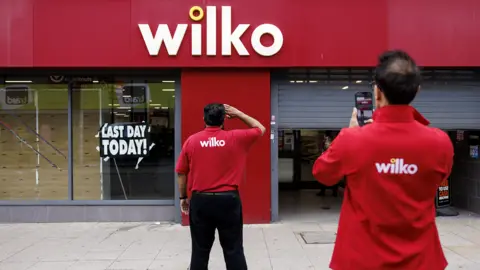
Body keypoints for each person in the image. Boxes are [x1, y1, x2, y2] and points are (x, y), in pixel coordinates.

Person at [312, 50, 453, 270]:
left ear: (377, 93)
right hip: (421, 261)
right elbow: (440, 176)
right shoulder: (440, 142)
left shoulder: (352, 140)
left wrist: (345, 135)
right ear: (417, 90)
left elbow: (323, 174)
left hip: (361, 260)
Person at [175, 103, 266, 270]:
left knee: (200, 251)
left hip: (201, 201)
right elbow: (260, 128)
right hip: (228, 201)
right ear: (224, 119)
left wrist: (183, 197)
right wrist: (238, 113)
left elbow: (181, 172)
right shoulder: (235, 138)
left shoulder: (192, 141)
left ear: (204, 119)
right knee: (234, 250)